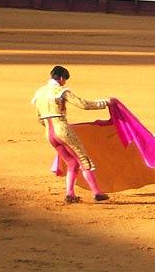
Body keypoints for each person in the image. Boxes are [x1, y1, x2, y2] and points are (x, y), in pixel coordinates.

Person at [32, 66, 110, 203]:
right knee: (84, 160)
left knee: (72, 163)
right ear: (61, 78)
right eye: (65, 80)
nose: (65, 83)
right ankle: (97, 192)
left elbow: (39, 118)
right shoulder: (61, 91)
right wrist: (104, 103)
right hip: (62, 130)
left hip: (49, 134)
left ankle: (70, 194)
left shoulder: (39, 93)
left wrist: (51, 129)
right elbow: (83, 104)